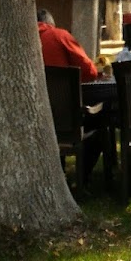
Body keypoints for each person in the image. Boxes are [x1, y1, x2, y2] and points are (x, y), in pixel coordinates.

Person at [37, 10, 104, 186]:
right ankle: (81, 179)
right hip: (67, 120)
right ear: (50, 23)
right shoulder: (59, 36)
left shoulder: (19, 41)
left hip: (35, 120)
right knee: (100, 127)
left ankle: (56, 176)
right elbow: (90, 72)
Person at [37, 9, 98, 83]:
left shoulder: (23, 40)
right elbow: (89, 70)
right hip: (62, 91)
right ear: (51, 24)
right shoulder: (59, 35)